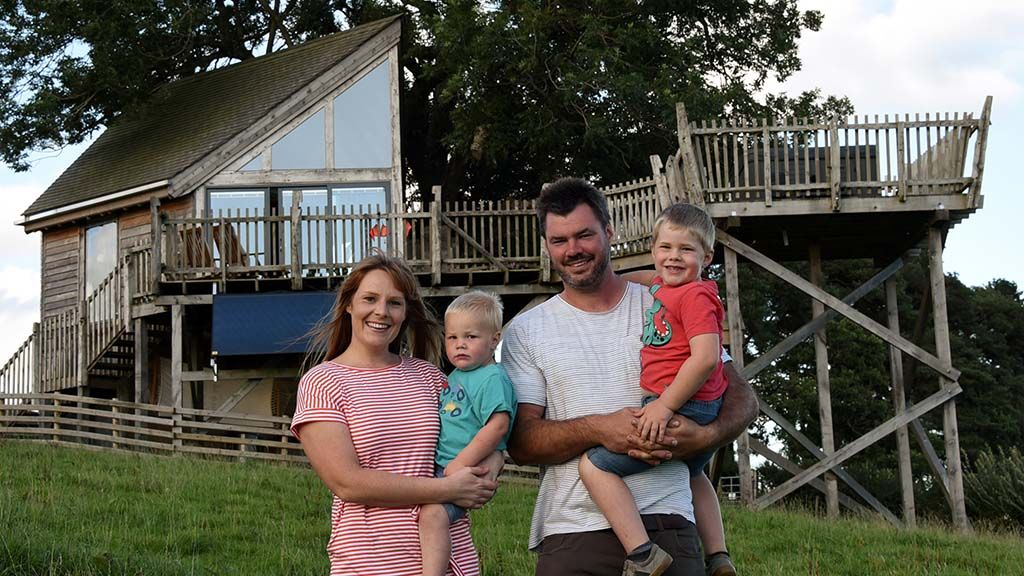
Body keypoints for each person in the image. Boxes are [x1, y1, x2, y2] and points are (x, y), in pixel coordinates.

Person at [503, 178, 759, 576]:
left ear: (609, 231)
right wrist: (601, 429)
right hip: (572, 535)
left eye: (585, 235)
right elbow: (522, 442)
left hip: (668, 524)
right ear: (547, 245)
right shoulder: (527, 329)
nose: (573, 250)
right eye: (559, 240)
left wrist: (707, 437)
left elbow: (742, 397)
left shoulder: (668, 298)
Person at [291, 253, 498, 576]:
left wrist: (485, 474)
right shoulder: (324, 382)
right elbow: (348, 483)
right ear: (349, 305)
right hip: (371, 563)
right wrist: (448, 489)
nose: (381, 312)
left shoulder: (430, 378)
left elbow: (478, 434)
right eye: (370, 299)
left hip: (451, 561)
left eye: (395, 303)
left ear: (405, 313)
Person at [579, 202, 736, 576]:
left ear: (707, 256)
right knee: (694, 473)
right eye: (665, 248)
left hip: (684, 405)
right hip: (699, 406)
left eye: (686, 250)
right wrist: (615, 279)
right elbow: (651, 278)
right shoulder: (670, 285)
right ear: (654, 250)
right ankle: (718, 556)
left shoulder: (696, 297)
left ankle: (642, 553)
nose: (673, 257)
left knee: (595, 467)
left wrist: (664, 407)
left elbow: (706, 358)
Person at [419, 290, 518, 576]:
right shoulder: (456, 376)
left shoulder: (492, 378)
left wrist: (461, 465)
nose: (460, 345)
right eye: (452, 338)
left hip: (465, 468)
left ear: (494, 340)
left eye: (471, 337)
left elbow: (498, 426)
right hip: (447, 466)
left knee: (432, 515)